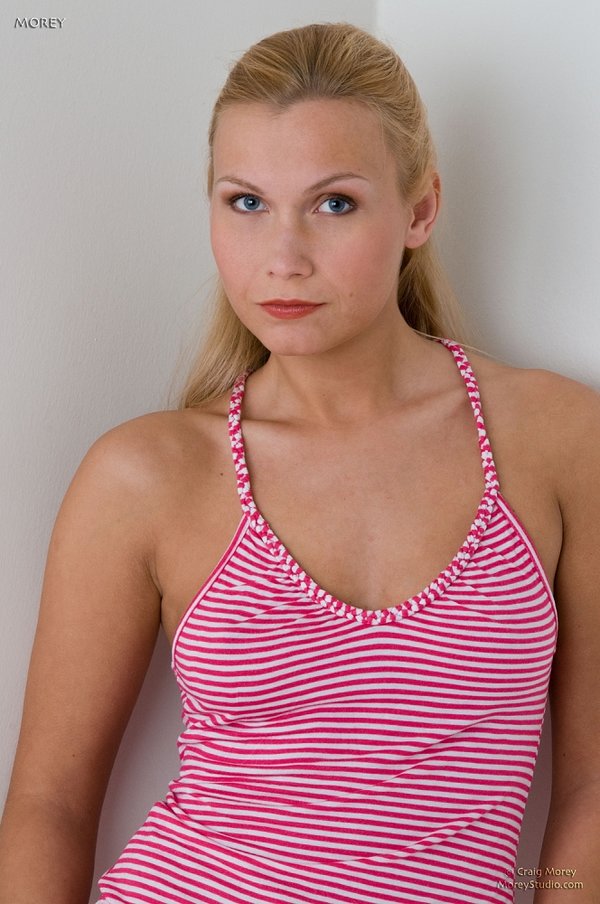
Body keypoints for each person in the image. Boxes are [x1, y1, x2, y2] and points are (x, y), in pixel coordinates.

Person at [0, 20, 598, 904]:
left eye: (334, 204)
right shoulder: (147, 475)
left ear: (420, 210)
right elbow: (49, 804)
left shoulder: (557, 438)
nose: (282, 259)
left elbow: (591, 788)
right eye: (246, 202)